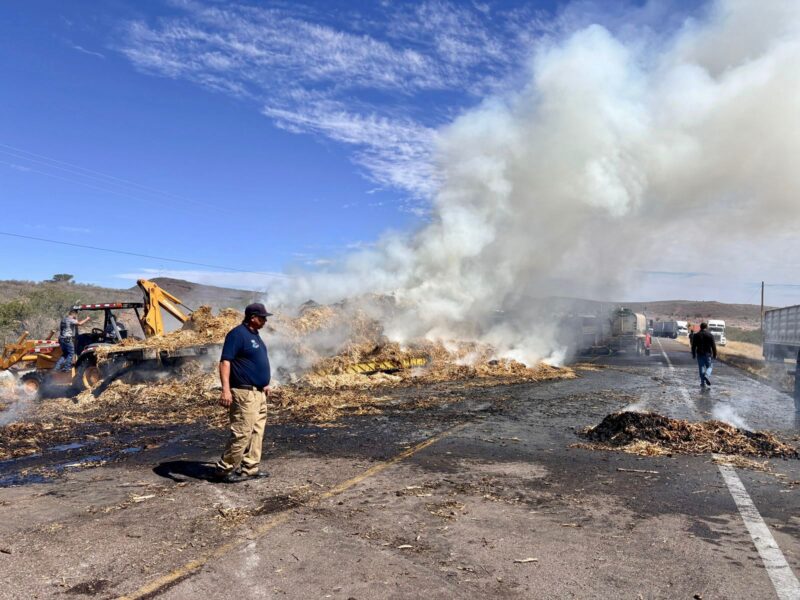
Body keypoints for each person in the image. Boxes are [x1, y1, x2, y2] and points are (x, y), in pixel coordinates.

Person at [214, 302, 273, 482]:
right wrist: (226, 390)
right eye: (262, 318)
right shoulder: (237, 334)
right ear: (252, 317)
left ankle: (250, 468)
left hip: (259, 393)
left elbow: (255, 363)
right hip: (244, 393)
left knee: (257, 431)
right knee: (242, 432)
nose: (265, 321)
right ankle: (225, 470)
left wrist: (265, 383)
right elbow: (225, 362)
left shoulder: (256, 336)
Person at [691, 322, 717, 389]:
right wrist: (715, 354)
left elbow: (693, 346)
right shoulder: (710, 335)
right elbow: (713, 346)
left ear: (700, 327)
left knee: (701, 368)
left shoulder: (696, 335)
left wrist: (693, 354)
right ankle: (707, 375)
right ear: (706, 327)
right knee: (710, 366)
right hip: (708, 354)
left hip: (699, 354)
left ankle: (703, 382)